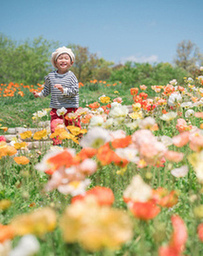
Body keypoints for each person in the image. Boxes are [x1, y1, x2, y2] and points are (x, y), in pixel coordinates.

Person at [33, 46, 81, 145]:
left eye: (66, 58)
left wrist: (63, 90)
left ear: (71, 63)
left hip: (70, 108)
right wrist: (39, 94)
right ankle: (57, 147)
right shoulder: (50, 76)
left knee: (74, 129)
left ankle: (80, 145)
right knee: (55, 128)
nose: (63, 60)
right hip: (56, 108)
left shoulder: (71, 76)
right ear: (55, 63)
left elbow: (75, 90)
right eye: (60, 58)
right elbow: (47, 89)